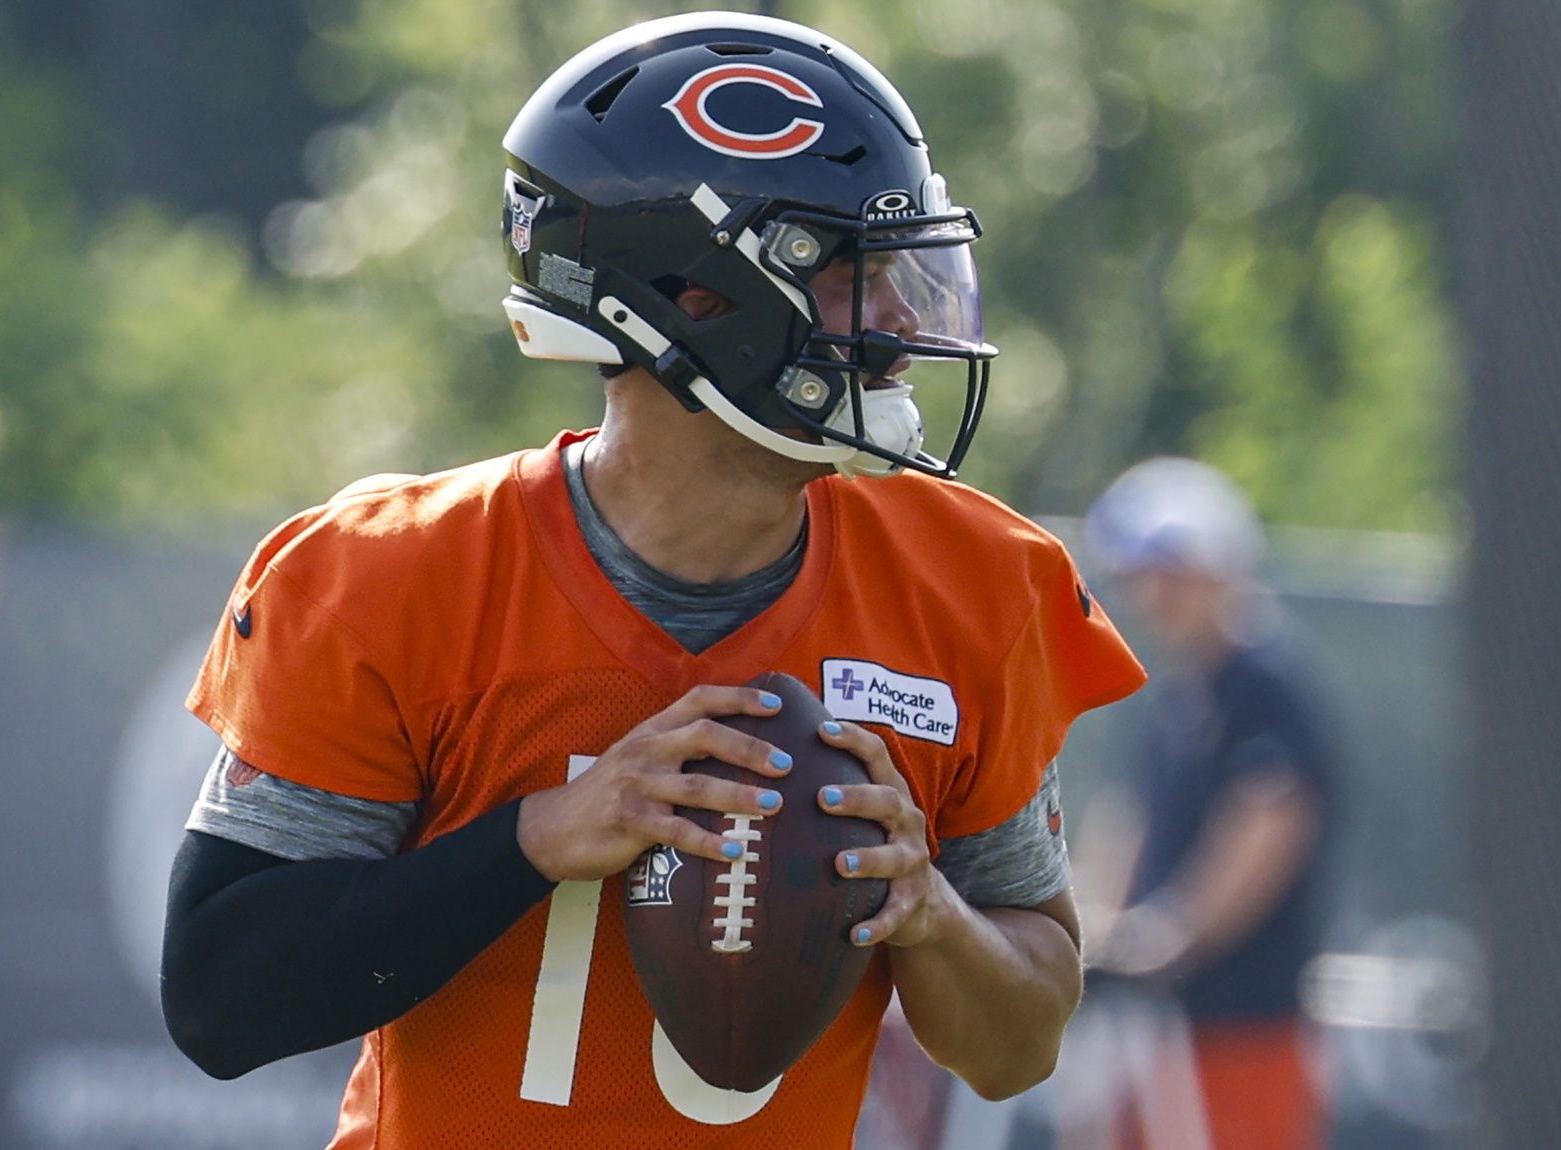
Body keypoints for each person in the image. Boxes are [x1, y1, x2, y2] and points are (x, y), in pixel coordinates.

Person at [160, 13, 1146, 1149]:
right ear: (693, 296)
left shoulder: (974, 583)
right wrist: (536, 836)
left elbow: (1018, 1048)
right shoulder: (396, 577)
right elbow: (222, 999)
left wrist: (931, 911)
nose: (900, 324)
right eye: (845, 274)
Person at [1075, 457, 1335, 1150]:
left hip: (1242, 1023)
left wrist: (1168, 936)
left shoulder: (1263, 684)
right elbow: (1130, 816)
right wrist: (1089, 925)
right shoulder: (1178, 694)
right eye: (1143, 578)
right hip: (1158, 1022)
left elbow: (1269, 822)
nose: (1154, 596)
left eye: (1171, 574)